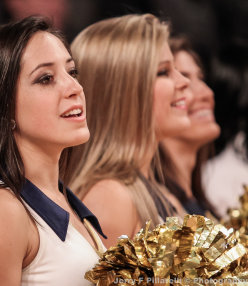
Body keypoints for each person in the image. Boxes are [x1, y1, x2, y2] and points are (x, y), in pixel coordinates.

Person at [0, 16, 106, 286]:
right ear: (2, 107)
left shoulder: (64, 198)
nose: (75, 88)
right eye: (46, 78)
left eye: (72, 72)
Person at [66, 14, 191, 248]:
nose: (183, 81)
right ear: (123, 92)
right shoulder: (111, 197)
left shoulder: (154, 188)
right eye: (164, 72)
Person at [158, 36, 220, 218]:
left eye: (200, 78)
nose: (207, 93)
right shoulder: (153, 201)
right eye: (184, 77)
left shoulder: (198, 197)